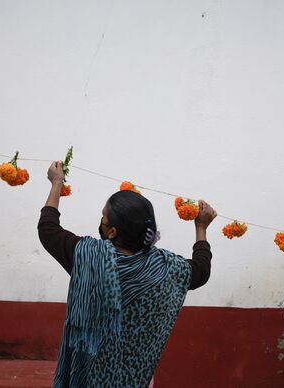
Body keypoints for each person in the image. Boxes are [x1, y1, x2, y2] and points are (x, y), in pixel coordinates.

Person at [38, 161, 217, 388]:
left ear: (111, 231)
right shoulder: (167, 268)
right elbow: (201, 270)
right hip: (134, 380)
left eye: (103, 217)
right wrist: (201, 228)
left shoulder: (89, 256)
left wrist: (56, 183)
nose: (101, 220)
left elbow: (48, 229)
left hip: (86, 379)